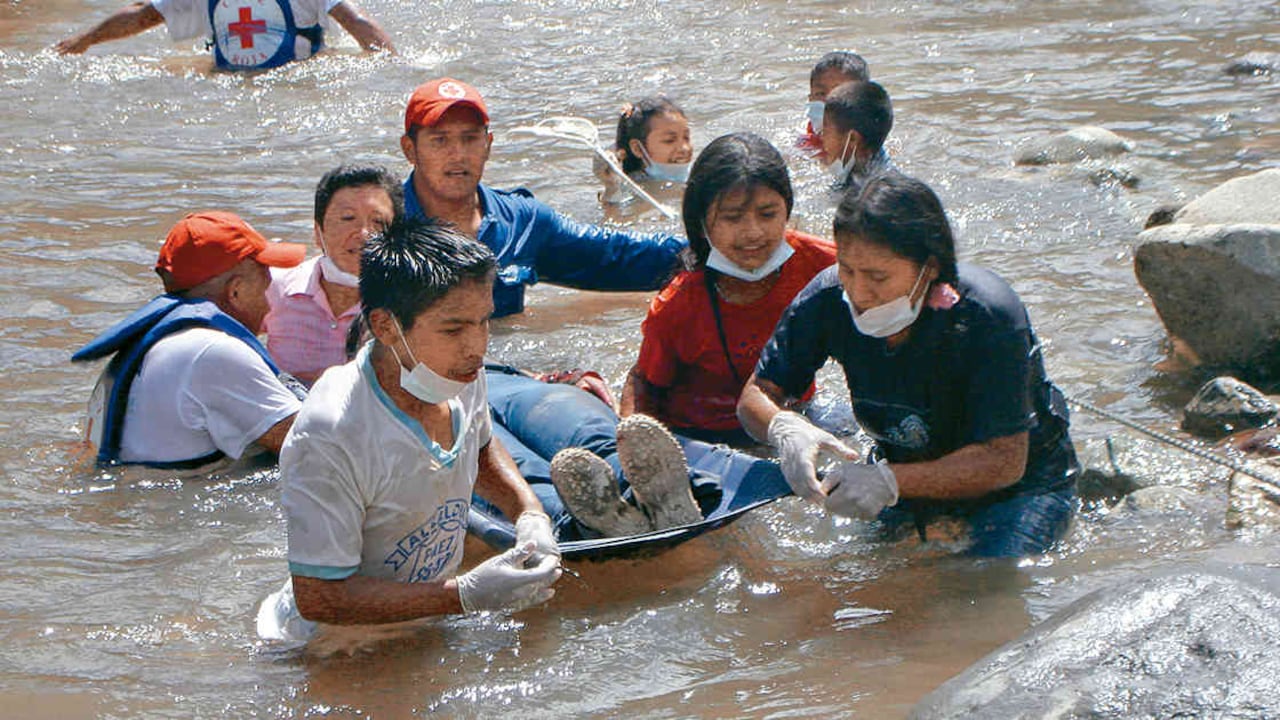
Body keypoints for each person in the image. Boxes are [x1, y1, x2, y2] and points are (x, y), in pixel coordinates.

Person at [737, 172, 1079, 557]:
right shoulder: (828, 300)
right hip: (905, 475)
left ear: (929, 268)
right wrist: (784, 428)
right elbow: (756, 395)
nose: (858, 292)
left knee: (981, 588)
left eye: (878, 277)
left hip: (1020, 488)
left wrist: (887, 480)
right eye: (848, 269)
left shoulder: (988, 317)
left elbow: (1003, 461)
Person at [259, 218, 561, 642]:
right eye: (454, 329)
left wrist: (528, 513)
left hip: (427, 615)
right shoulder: (331, 433)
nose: (477, 347)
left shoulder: (458, 371)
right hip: (331, 644)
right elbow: (320, 598)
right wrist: (465, 595)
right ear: (385, 326)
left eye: (484, 322)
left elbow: (481, 449)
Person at [398, 77, 687, 318]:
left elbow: (618, 255)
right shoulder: (379, 223)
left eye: (470, 138)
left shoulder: (521, 222)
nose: (458, 154)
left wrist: (709, 243)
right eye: (440, 140)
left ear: (488, 145)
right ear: (410, 149)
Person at [621, 132, 836, 446]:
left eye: (767, 214)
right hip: (703, 436)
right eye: (732, 217)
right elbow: (644, 383)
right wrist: (637, 445)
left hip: (793, 417)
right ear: (702, 224)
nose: (752, 233)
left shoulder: (824, 266)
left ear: (787, 211)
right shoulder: (678, 305)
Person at [72, 211, 308, 468]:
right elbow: (316, 446)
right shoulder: (212, 353)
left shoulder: (155, 342)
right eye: (266, 286)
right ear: (236, 291)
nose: (270, 303)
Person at [264, 163, 402, 386]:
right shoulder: (275, 288)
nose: (365, 234)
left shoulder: (413, 303)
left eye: (378, 222)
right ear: (318, 233)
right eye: (348, 218)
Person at [54, 0, 394, 71]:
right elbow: (144, 14)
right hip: (240, 78)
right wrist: (83, 41)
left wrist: (391, 62)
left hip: (301, 75)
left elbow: (358, 22)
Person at [596, 95, 694, 207]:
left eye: (687, 138)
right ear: (637, 148)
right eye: (669, 140)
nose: (684, 148)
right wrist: (611, 188)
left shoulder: (702, 177)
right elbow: (613, 220)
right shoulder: (628, 190)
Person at [821, 80, 896, 196]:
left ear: (853, 139)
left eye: (826, 129)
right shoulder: (875, 156)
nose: (821, 136)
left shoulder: (862, 197)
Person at [799, 51, 870, 154]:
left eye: (841, 94)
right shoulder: (804, 145)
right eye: (821, 94)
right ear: (810, 99)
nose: (828, 102)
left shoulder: (868, 149)